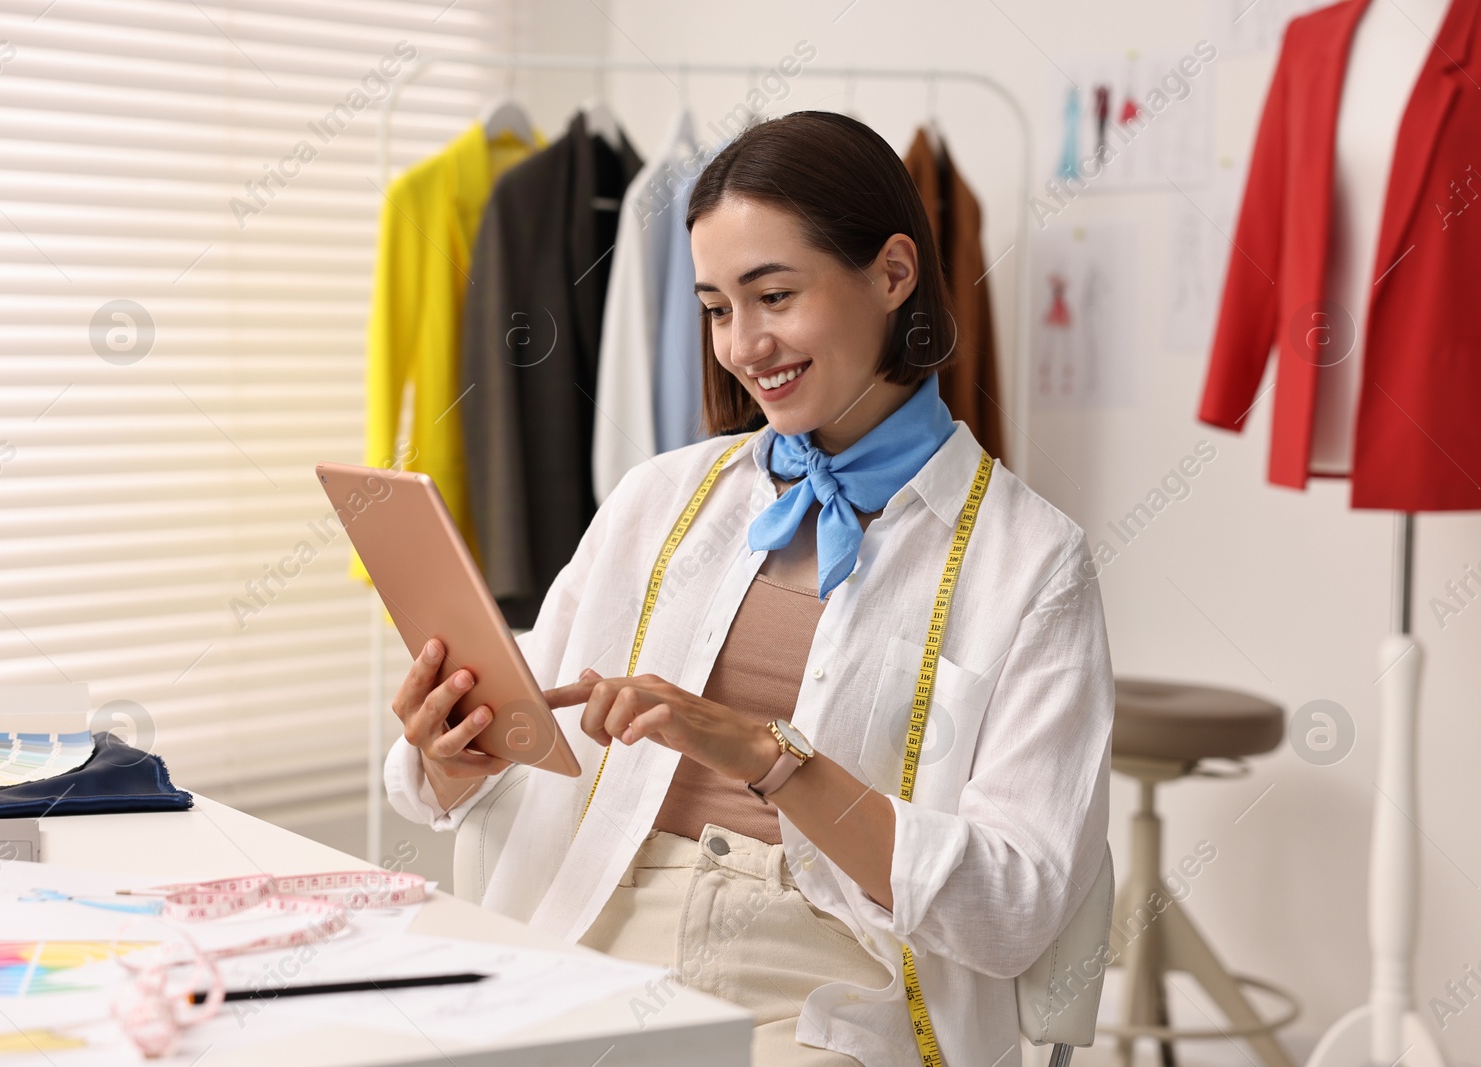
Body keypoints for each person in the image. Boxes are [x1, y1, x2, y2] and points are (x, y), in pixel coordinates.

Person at [385, 110, 1113, 1067]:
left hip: (832, 980)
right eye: (719, 308)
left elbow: (1014, 906)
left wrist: (769, 759)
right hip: (601, 927)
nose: (743, 345)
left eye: (773, 295)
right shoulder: (659, 498)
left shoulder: (1032, 564)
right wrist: (449, 751)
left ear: (894, 274)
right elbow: (515, 746)